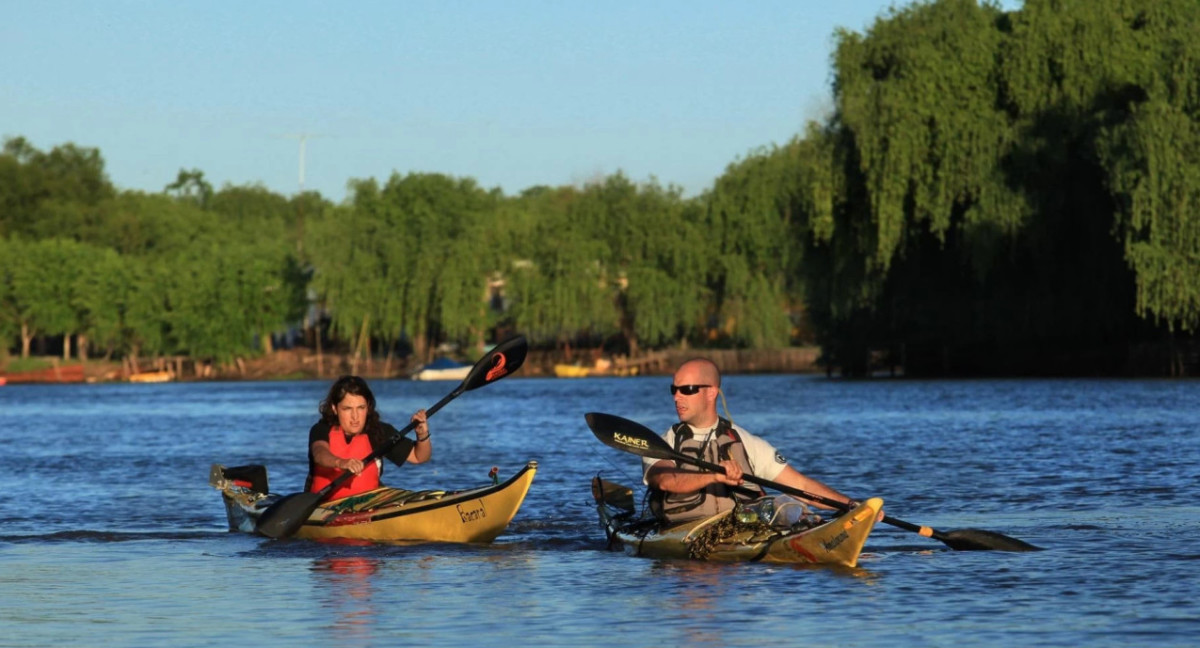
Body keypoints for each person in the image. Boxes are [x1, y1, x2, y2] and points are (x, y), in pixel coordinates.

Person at [643, 358, 866, 524]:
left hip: (739, 533)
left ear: (711, 392)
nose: (676, 396)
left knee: (793, 508)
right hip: (682, 531)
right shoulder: (662, 443)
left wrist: (851, 506)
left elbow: (801, 486)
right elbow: (664, 480)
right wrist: (715, 475)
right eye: (674, 389)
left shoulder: (745, 442)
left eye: (687, 390)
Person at [305, 375, 431, 500]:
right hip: (325, 507)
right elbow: (320, 453)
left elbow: (418, 457)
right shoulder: (321, 429)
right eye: (347, 409)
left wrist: (422, 434)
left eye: (361, 408)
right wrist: (341, 462)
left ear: (368, 406)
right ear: (335, 408)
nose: (355, 416)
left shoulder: (379, 431)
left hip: (368, 505)